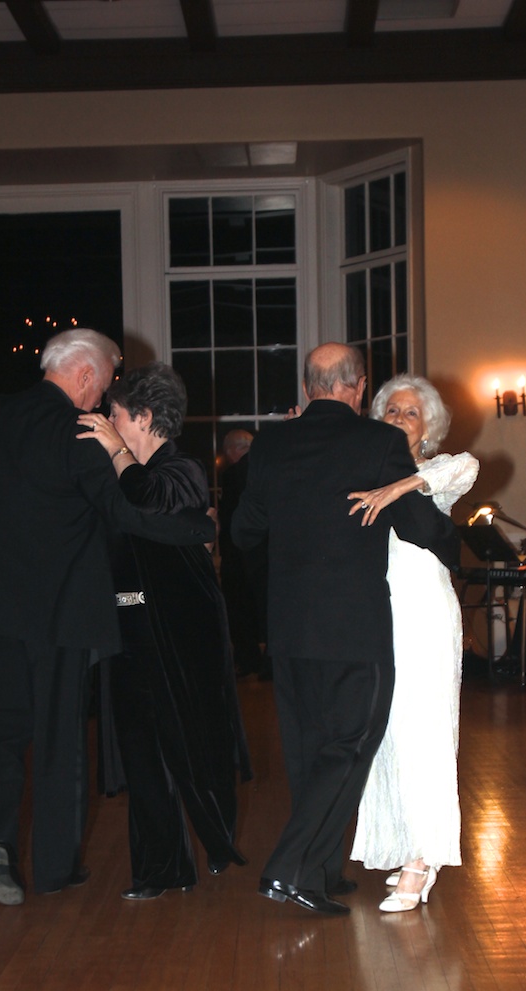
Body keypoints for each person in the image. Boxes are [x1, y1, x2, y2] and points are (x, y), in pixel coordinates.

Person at [0, 330, 216, 906]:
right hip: (60, 611)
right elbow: (124, 512)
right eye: (109, 379)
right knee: (58, 738)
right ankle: (54, 867)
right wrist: (197, 529)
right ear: (88, 377)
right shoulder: (83, 434)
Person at [231, 342, 460, 917]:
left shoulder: (272, 442)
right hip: (354, 628)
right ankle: (288, 868)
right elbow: (418, 530)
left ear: (309, 387)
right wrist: (452, 539)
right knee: (350, 745)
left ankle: (323, 871)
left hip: (287, 626)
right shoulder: (378, 443)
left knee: (309, 750)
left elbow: (243, 532)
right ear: (358, 387)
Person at [77, 363, 250, 899]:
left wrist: (118, 455)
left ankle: (216, 840)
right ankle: (159, 870)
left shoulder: (183, 468)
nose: (108, 421)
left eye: (118, 414)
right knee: (140, 750)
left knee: (190, 741)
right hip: (129, 623)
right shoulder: (119, 473)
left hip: (183, 628)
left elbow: (148, 497)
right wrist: (197, 528)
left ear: (146, 418)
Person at [347, 374, 479, 911]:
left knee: (424, 730)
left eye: (410, 414)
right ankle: (403, 845)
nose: (400, 420)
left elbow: (466, 466)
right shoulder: (369, 468)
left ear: (427, 429)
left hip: (425, 614)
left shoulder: (435, 471)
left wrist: (398, 487)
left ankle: (422, 860)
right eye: (392, 412)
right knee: (390, 731)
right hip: (381, 616)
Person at [217, 428, 269, 679]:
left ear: (232, 451)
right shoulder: (265, 469)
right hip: (266, 554)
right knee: (266, 612)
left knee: (240, 612)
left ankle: (248, 662)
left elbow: (231, 520)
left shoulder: (233, 475)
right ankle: (269, 665)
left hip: (240, 555)